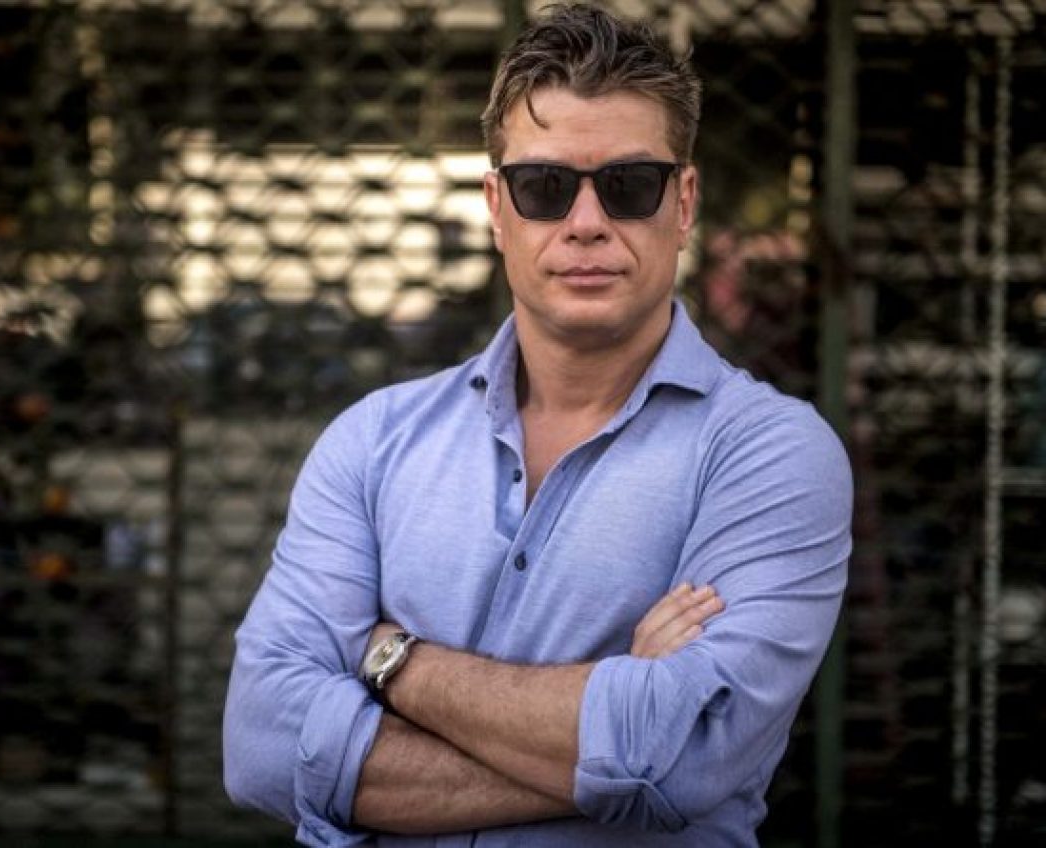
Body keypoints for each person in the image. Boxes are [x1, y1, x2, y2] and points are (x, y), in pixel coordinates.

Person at [223, 4, 852, 846]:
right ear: (497, 206)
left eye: (630, 184)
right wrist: (614, 730)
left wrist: (391, 662)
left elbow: (691, 756)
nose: (586, 222)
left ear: (684, 202)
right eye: (545, 187)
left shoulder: (769, 455)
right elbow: (262, 746)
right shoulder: (372, 441)